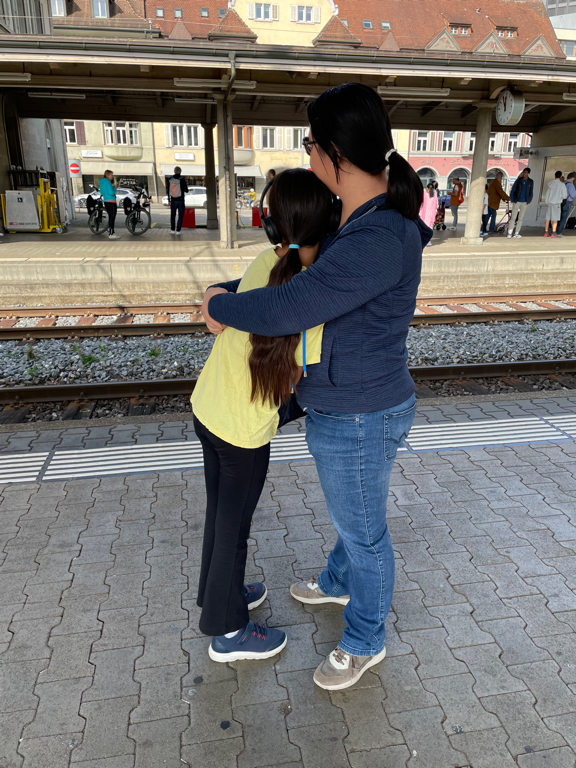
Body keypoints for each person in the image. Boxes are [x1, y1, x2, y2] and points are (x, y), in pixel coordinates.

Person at [203, 83, 431, 690]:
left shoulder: (377, 237)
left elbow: (293, 304)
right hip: (351, 405)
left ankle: (364, 638)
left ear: (334, 153)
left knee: (365, 532)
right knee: (354, 509)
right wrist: (230, 291)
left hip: (359, 412)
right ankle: (335, 584)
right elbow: (301, 269)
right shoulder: (359, 222)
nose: (307, 158)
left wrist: (222, 308)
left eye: (309, 145)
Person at [192, 168, 337, 663]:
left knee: (221, 516)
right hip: (241, 434)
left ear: (274, 228)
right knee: (234, 525)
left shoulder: (264, 260)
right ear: (329, 227)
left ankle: (219, 595)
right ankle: (228, 630)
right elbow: (303, 377)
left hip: (209, 411)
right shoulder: (312, 296)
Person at [508, 167, 533, 238]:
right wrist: (512, 198)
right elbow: (513, 189)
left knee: (520, 218)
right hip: (517, 201)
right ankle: (510, 232)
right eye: (523, 172)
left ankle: (516, 232)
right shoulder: (518, 180)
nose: (524, 174)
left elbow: (531, 192)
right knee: (513, 217)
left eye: (525, 172)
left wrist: (529, 200)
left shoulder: (530, 182)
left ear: (528, 173)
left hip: (525, 202)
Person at [544, 170, 568, 237]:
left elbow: (547, 194)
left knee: (548, 218)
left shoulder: (550, 184)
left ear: (555, 176)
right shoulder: (562, 185)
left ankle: (546, 232)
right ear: (560, 176)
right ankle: (553, 232)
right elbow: (564, 196)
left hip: (549, 203)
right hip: (557, 203)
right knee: (555, 219)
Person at [97, 170, 119, 240]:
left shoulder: (102, 182)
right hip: (111, 201)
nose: (112, 176)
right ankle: (111, 233)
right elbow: (111, 192)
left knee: (110, 216)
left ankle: (112, 231)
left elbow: (102, 192)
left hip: (106, 201)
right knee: (112, 217)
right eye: (111, 175)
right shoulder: (107, 182)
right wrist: (115, 188)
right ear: (108, 175)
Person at [166, 166, 189, 235]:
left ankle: (172, 230)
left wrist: (169, 199)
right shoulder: (182, 179)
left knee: (173, 215)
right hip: (181, 200)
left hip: (173, 200)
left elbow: (168, 190)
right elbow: (186, 190)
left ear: (174, 171)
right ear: (180, 171)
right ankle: (178, 231)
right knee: (180, 216)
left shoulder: (170, 179)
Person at [557, 172, 576, 237]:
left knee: (559, 217)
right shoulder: (570, 185)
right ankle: (559, 232)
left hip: (560, 201)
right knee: (564, 218)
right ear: (572, 178)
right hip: (567, 202)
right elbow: (573, 195)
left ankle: (555, 230)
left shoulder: (562, 183)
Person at [419, 182, 437, 246]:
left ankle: (425, 240)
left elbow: (420, 203)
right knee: (428, 227)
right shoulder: (434, 195)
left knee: (425, 227)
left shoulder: (425, 194)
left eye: (427, 188)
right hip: (429, 214)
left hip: (425, 213)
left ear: (427, 188)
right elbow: (436, 206)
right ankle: (427, 240)